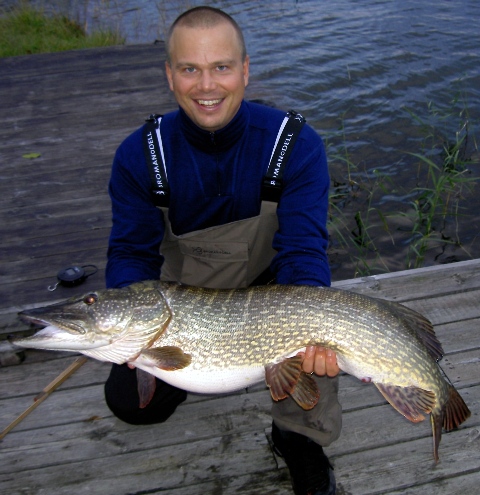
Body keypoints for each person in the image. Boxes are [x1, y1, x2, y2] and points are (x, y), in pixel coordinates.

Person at [104, 6, 340, 495]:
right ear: (170, 75)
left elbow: (303, 251)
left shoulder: (292, 144)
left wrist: (310, 326)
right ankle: (208, 371)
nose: (206, 85)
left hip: (277, 289)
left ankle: (299, 443)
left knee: (319, 340)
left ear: (245, 70)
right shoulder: (140, 155)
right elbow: (131, 252)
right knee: (131, 401)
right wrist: (127, 320)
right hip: (185, 300)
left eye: (221, 67)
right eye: (190, 68)